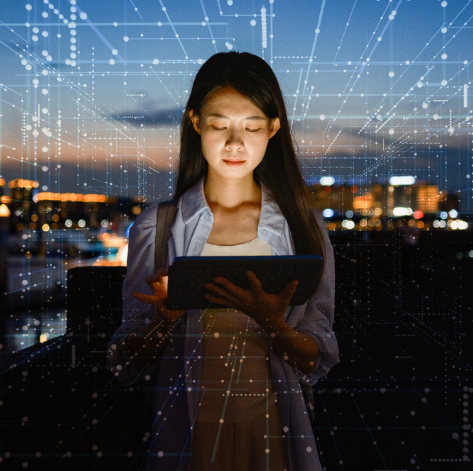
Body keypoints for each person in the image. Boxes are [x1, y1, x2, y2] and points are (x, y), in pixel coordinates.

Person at [107, 51, 338, 471]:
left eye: (252, 127)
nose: (235, 143)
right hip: (186, 433)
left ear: (273, 128)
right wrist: (164, 321)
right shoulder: (158, 227)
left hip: (273, 429)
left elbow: (316, 358)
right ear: (195, 122)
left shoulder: (302, 227)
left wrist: (272, 323)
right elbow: (126, 361)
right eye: (219, 126)